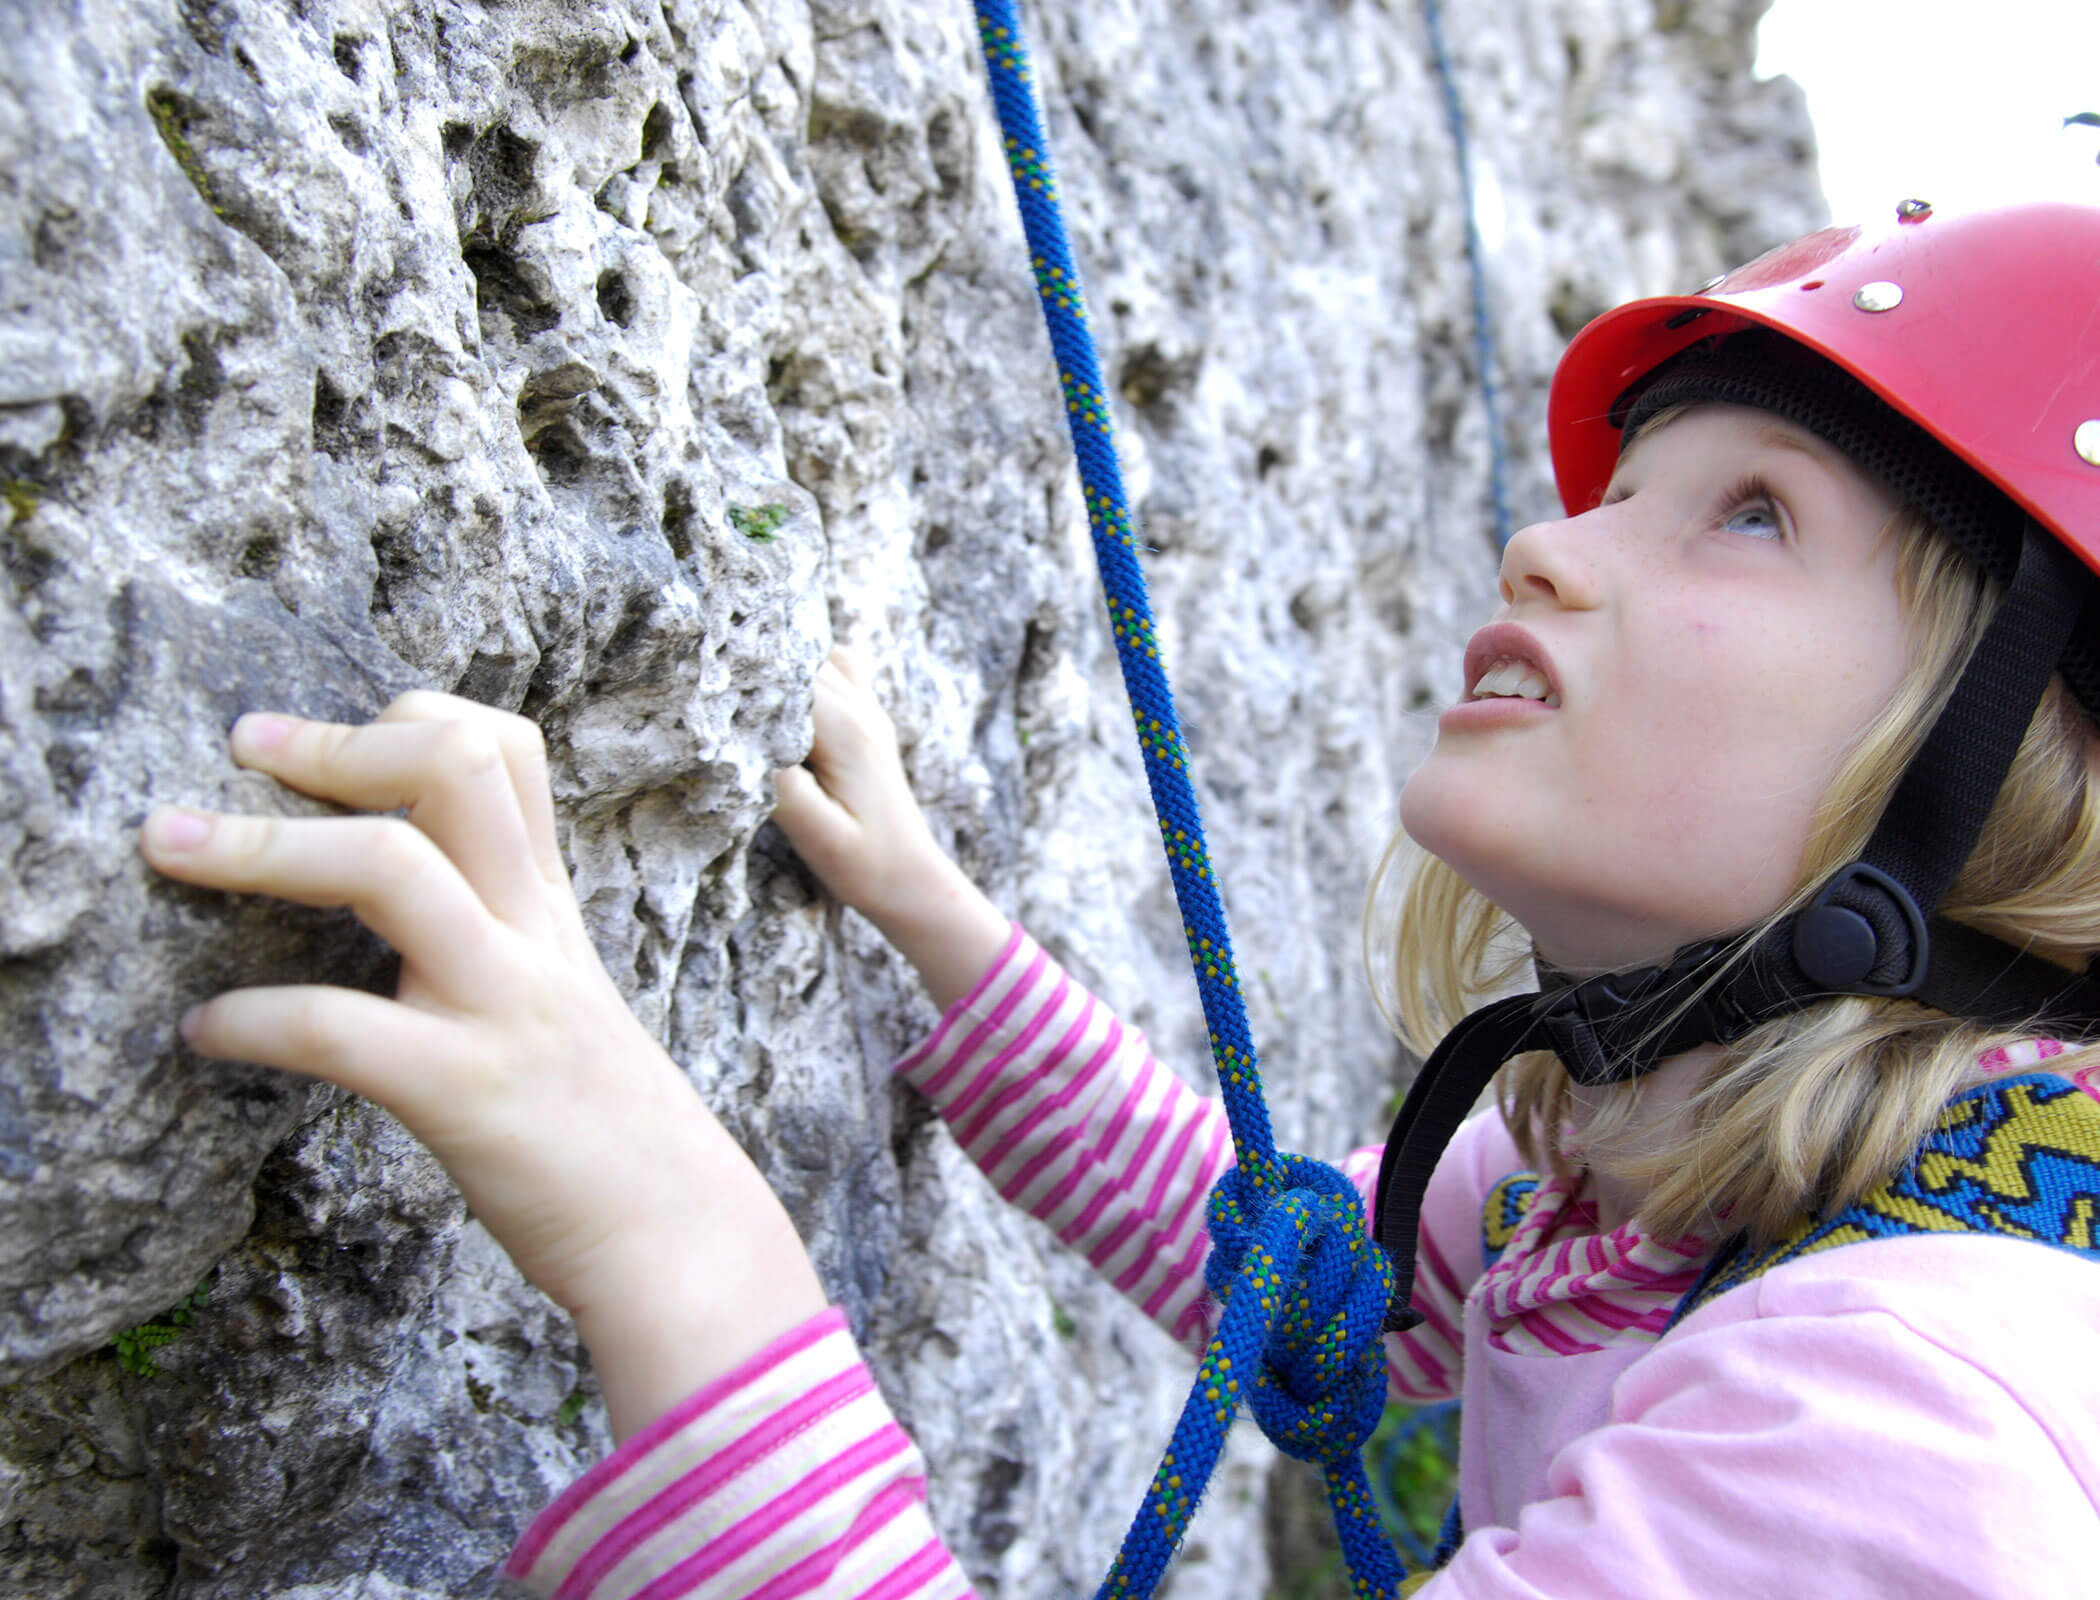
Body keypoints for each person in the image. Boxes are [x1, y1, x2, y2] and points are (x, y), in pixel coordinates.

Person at [136, 200, 2100, 1597]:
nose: (1547, 541)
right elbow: (1285, 1272)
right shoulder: (1681, 1181)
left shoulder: (1904, 1433)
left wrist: (667, 1229)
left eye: (1753, 512)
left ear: (2017, 766)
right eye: (1611, 488)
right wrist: (934, 919)